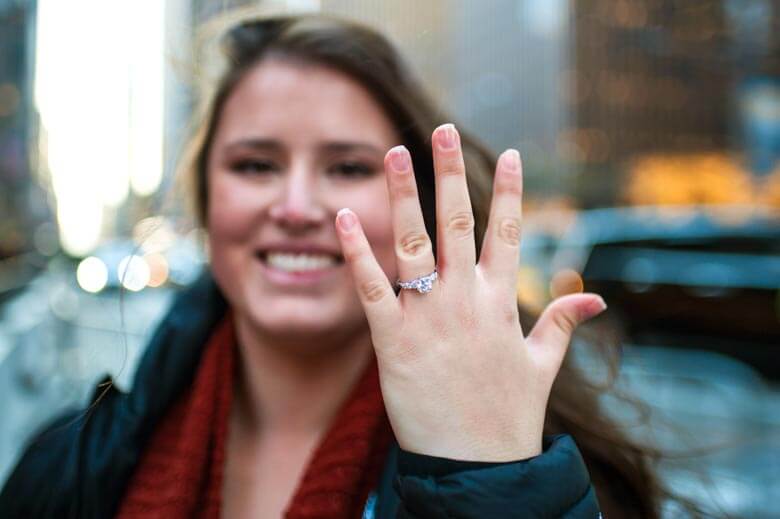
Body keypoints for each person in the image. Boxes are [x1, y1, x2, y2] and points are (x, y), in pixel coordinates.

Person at [0, 13, 666, 518]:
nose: (295, 206)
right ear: (206, 198)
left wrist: (489, 478)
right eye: (255, 164)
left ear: (423, 204)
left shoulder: (548, 469)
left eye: (348, 167)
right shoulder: (67, 467)